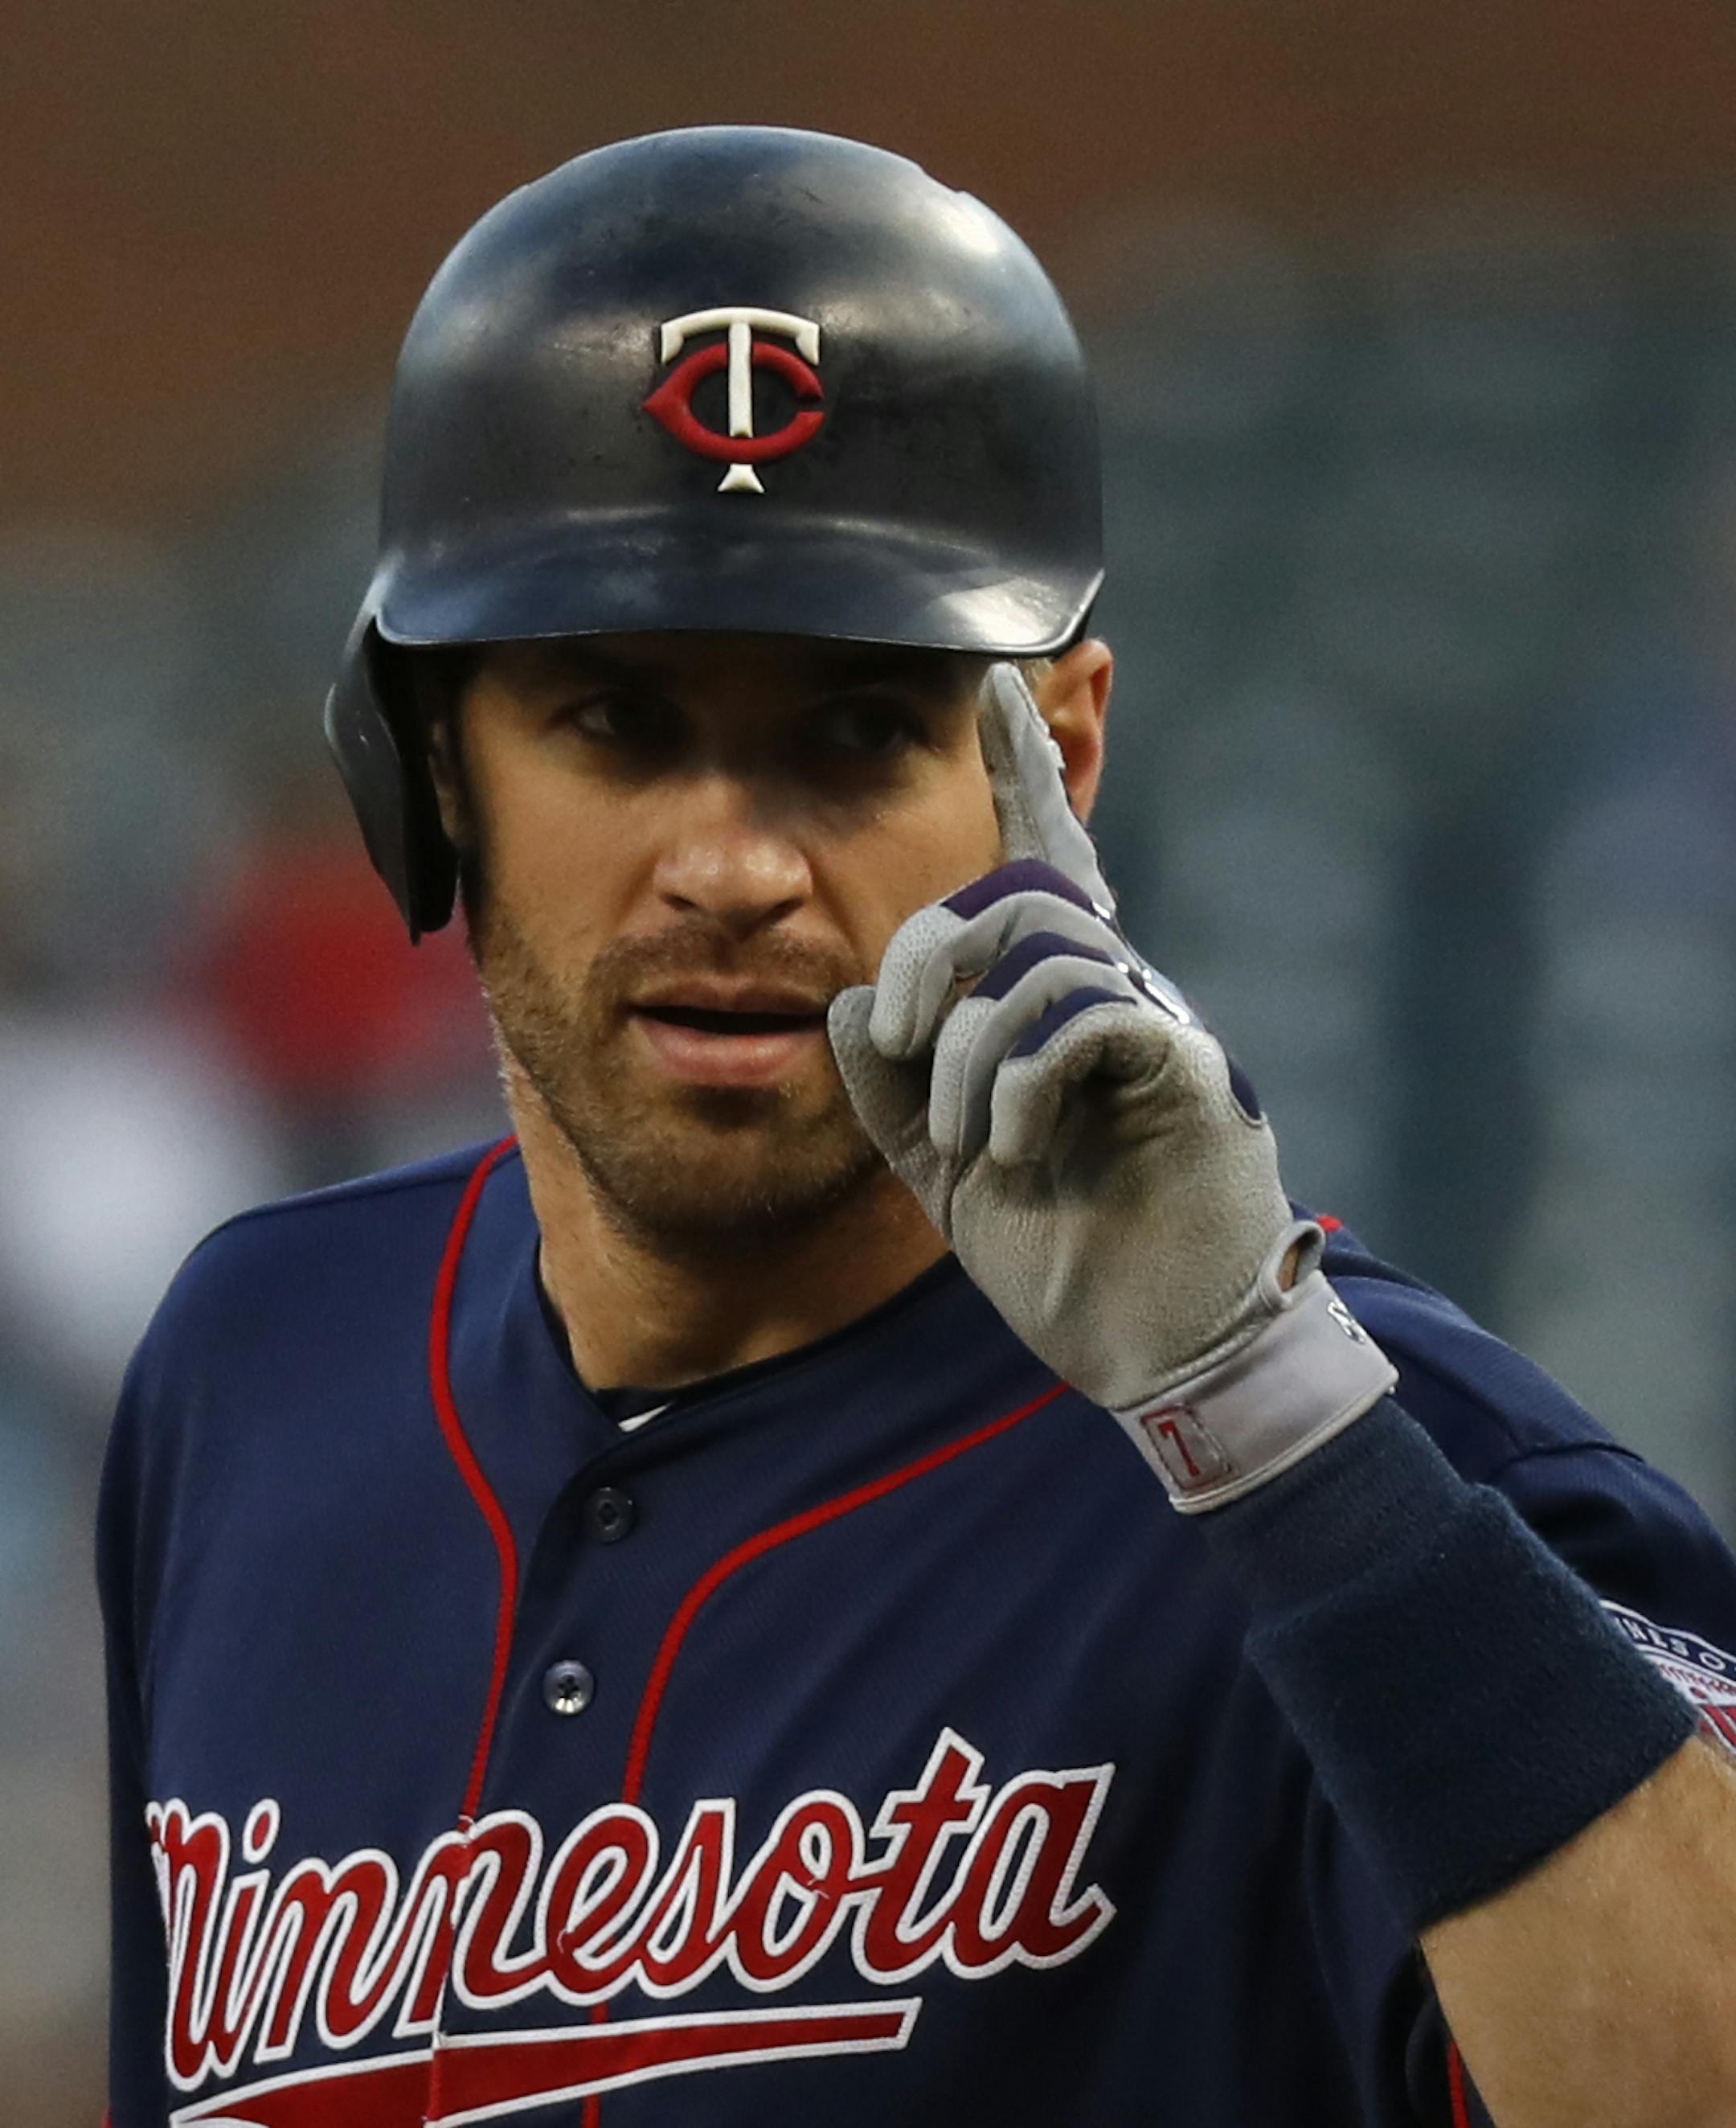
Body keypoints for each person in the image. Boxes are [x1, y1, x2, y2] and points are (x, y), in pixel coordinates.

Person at [100, 128, 1736, 2128]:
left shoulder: (1406, 1486)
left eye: (857, 728)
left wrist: (1271, 1423)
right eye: (616, 721)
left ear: (1059, 754)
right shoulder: (254, 1368)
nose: (730, 863)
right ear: (427, 764)